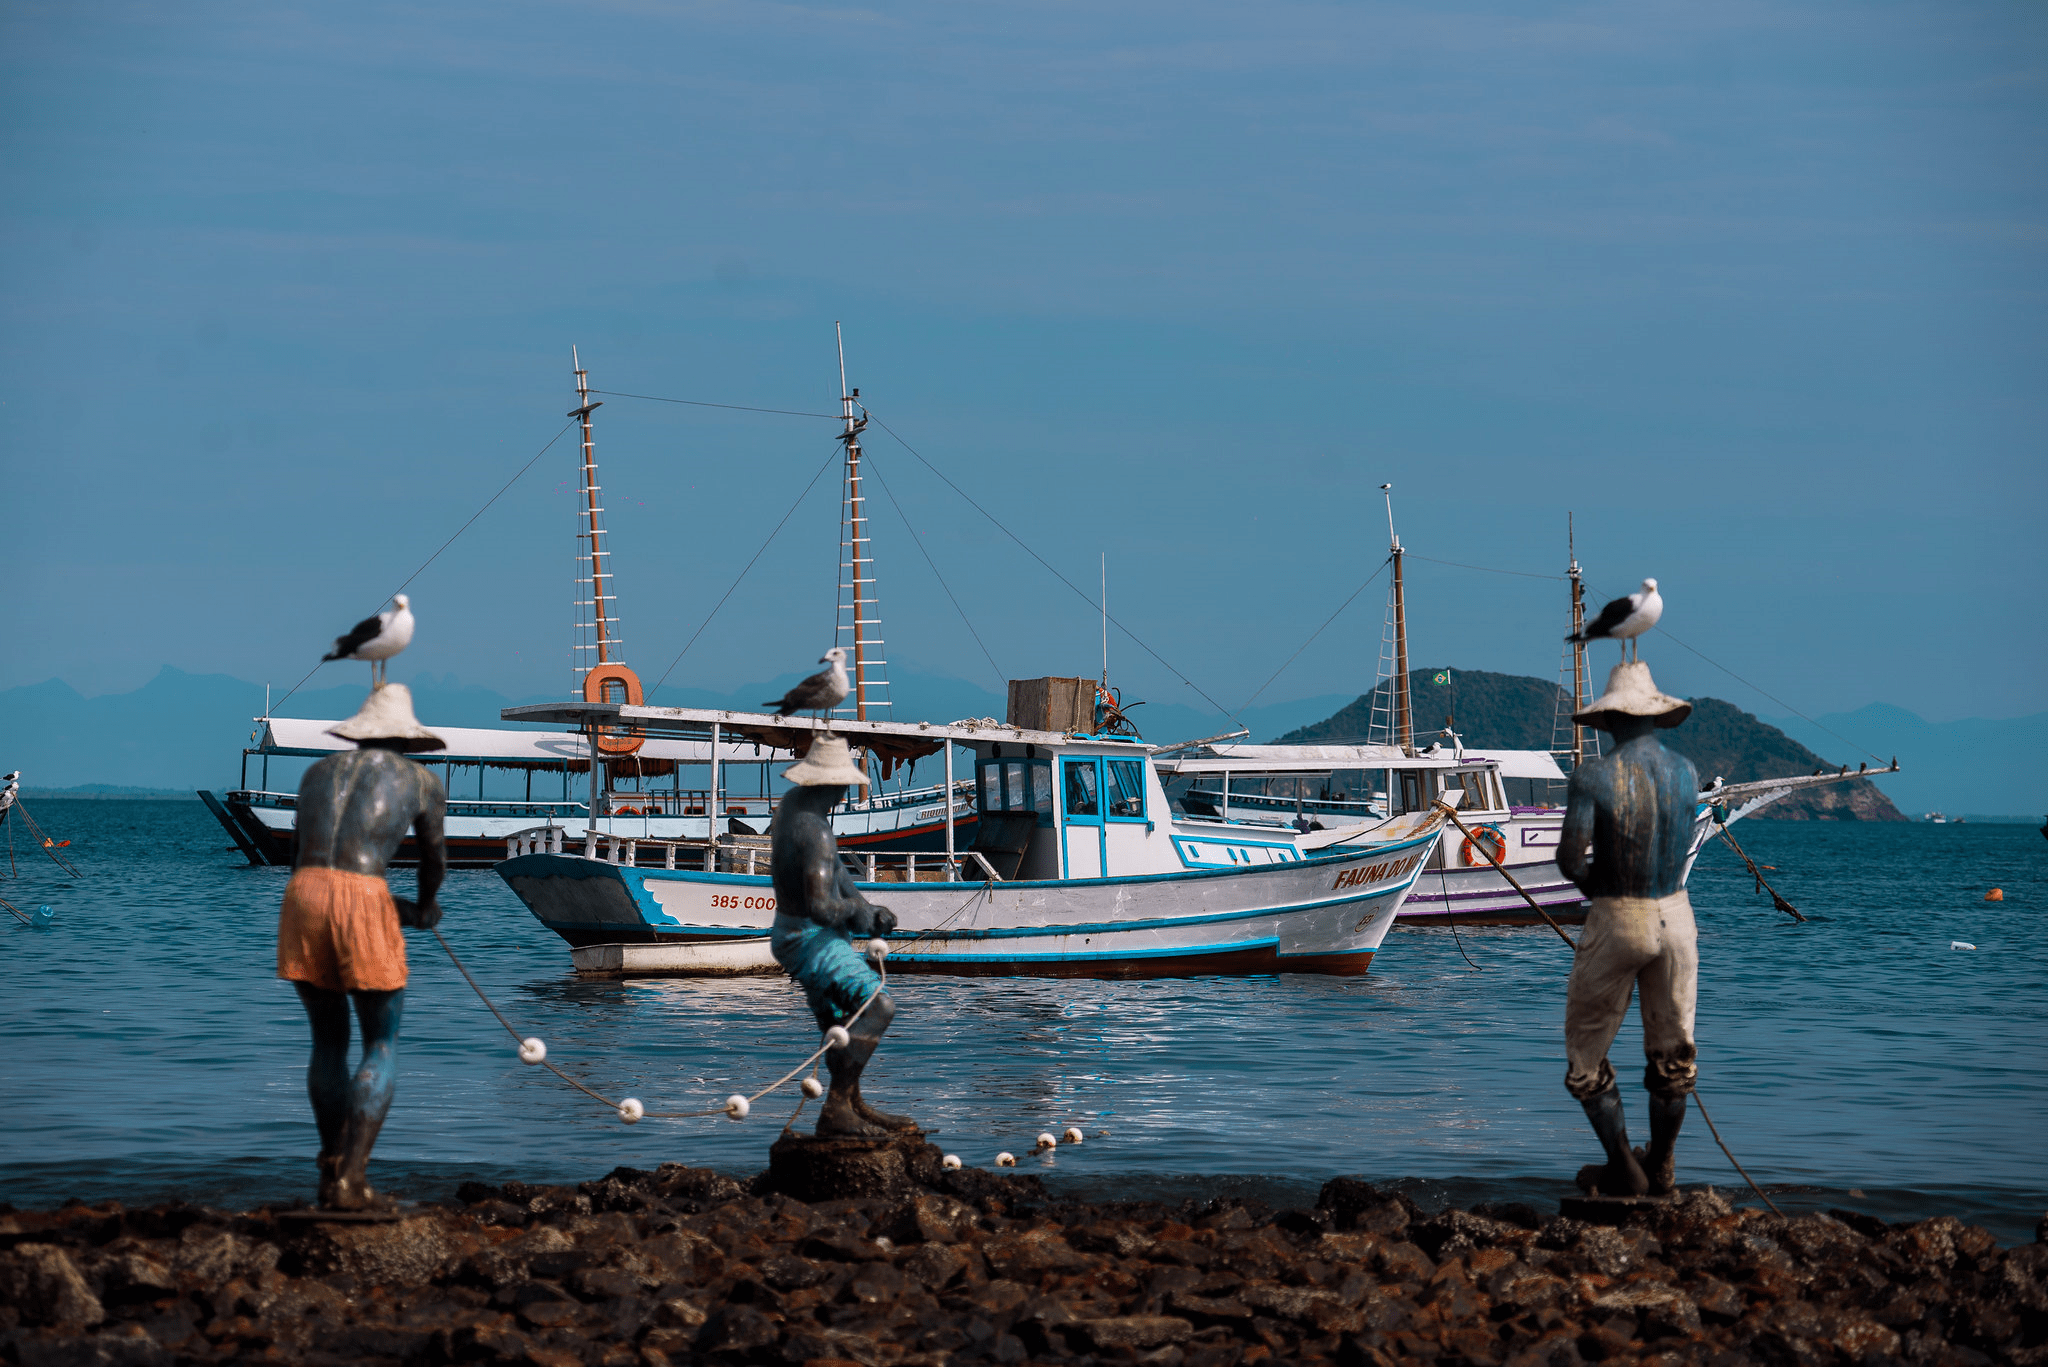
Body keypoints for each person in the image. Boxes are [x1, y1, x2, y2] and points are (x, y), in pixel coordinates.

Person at [275, 684, 447, 1210]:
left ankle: (329, 1174)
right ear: (408, 739)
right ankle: (352, 1178)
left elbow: (299, 849)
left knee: (328, 1043)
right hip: (365, 894)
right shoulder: (421, 780)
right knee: (381, 1043)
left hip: (303, 893)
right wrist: (421, 908)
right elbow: (433, 859)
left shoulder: (316, 773)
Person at [1556, 661, 1699, 1198]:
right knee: (1673, 1052)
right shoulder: (1685, 771)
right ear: (1655, 717)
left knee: (1586, 1053)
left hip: (1621, 914)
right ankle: (1661, 1166)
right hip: (1677, 916)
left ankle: (1626, 1167)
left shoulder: (1594, 776)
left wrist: (1602, 890)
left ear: (1611, 719)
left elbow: (1571, 860)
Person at [768, 734, 917, 1138]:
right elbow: (821, 906)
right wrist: (856, 912)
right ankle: (837, 1106)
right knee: (878, 1007)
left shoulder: (792, 805)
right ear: (834, 784)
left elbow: (837, 874)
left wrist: (866, 908)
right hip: (808, 937)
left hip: (796, 932)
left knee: (842, 1021)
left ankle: (850, 1103)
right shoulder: (812, 829)